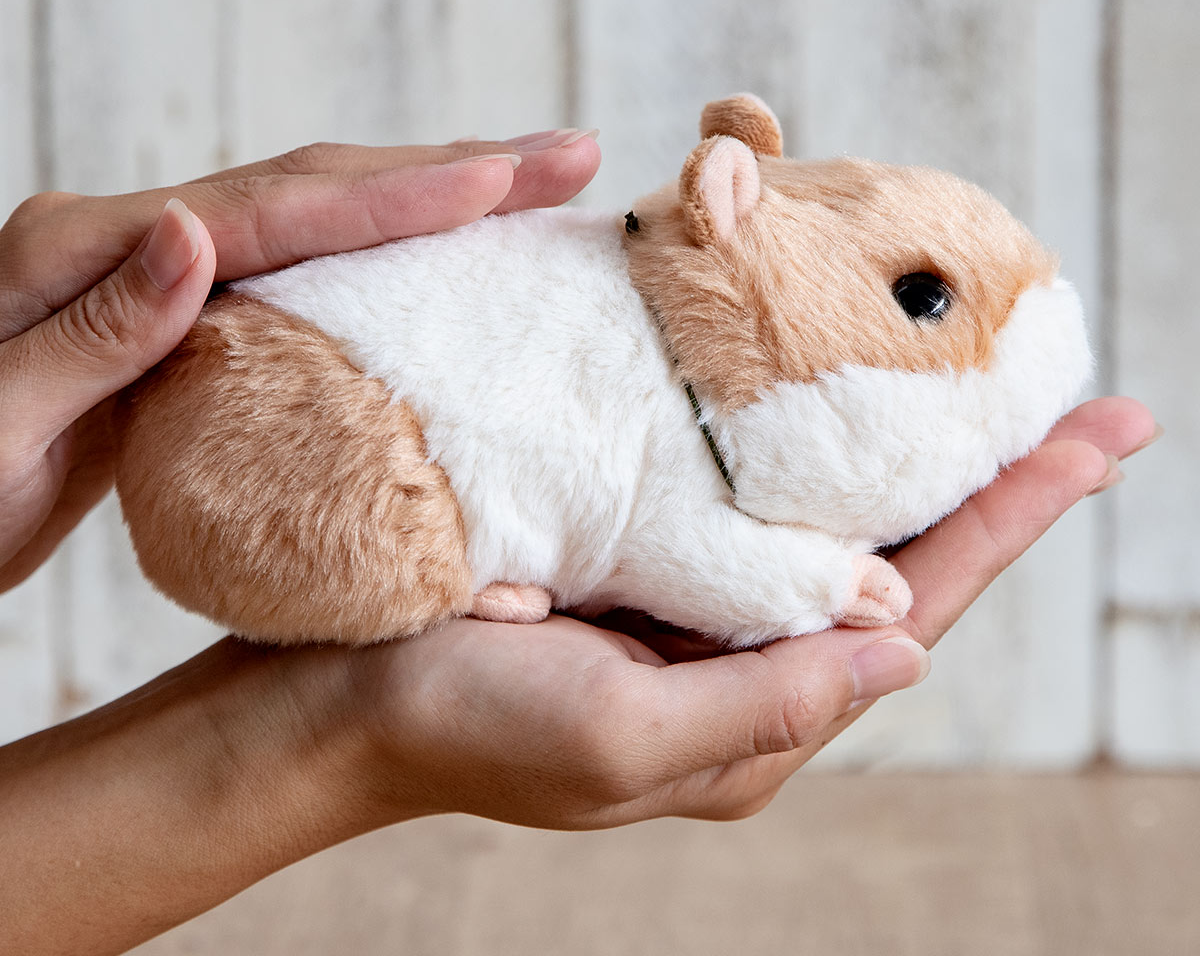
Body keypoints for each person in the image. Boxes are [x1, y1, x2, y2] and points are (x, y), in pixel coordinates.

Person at [0, 133, 1156, 955]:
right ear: (727, 211)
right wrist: (816, 581)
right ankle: (438, 572)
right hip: (289, 434)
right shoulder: (667, 390)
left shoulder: (653, 321)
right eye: (922, 301)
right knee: (388, 504)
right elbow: (679, 547)